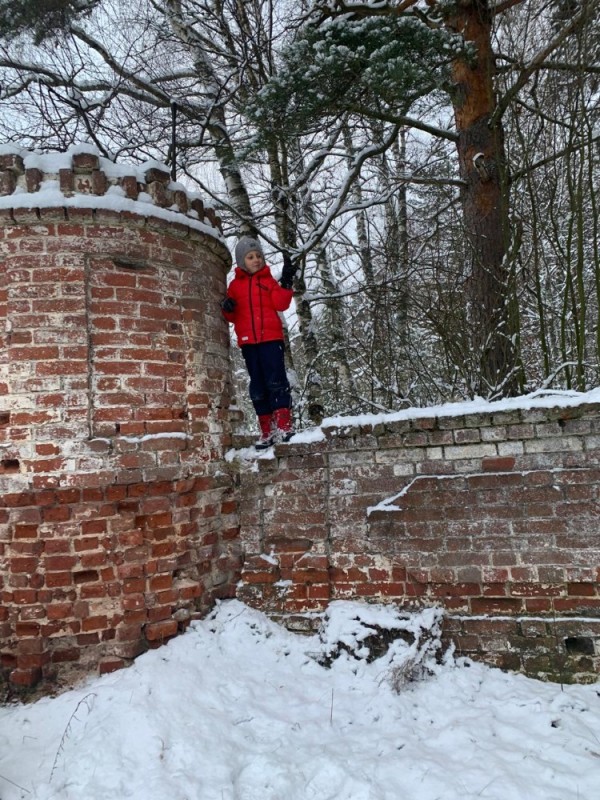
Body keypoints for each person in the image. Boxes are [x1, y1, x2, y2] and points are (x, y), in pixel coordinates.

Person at [221, 236, 297, 449]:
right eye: (250, 257)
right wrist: (227, 308)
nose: (256, 260)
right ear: (241, 261)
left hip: (271, 339)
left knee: (276, 381)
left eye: (258, 256)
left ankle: (284, 426)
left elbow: (281, 304)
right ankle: (267, 431)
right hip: (248, 343)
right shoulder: (235, 286)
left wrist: (287, 283)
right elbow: (233, 316)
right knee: (258, 386)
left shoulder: (268, 281)